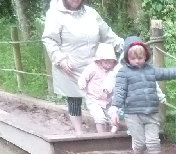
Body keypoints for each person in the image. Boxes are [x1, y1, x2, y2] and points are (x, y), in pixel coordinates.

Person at [42, 0, 122, 135]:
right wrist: (60, 59)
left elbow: (108, 35)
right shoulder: (54, 14)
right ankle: (79, 132)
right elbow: (49, 39)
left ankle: (106, 129)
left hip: (94, 66)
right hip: (70, 66)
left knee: (104, 96)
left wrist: (127, 46)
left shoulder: (91, 13)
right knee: (74, 98)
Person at [77, 43, 119, 134]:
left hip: (109, 100)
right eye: (106, 62)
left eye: (111, 62)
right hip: (94, 99)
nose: (109, 65)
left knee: (113, 118)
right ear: (100, 60)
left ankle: (112, 135)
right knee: (100, 118)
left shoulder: (114, 71)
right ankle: (101, 136)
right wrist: (82, 84)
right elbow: (83, 77)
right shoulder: (92, 68)